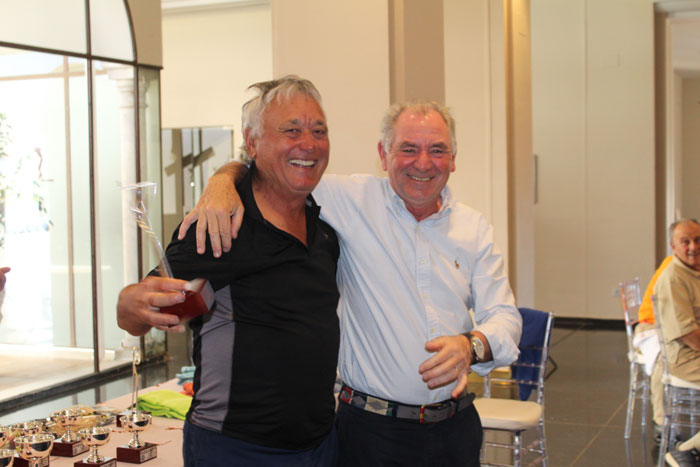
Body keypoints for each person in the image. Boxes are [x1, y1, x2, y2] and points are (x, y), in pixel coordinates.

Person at [180, 99, 522, 466]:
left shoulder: (473, 228)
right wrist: (224, 179)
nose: (423, 163)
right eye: (408, 149)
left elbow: (505, 316)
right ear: (383, 154)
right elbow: (273, 170)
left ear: (453, 158)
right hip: (370, 434)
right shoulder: (347, 200)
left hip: (455, 430)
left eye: (437, 150)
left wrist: (471, 346)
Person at [117, 76, 341, 466]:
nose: (309, 143)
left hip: (321, 444)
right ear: (252, 142)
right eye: (291, 130)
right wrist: (130, 304)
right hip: (236, 449)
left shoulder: (325, 227)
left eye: (318, 131)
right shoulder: (221, 227)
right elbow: (144, 310)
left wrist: (225, 174)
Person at [654, 219, 700, 467]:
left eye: (698, 240)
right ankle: (686, 450)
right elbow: (690, 336)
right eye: (685, 242)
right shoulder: (673, 279)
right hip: (686, 359)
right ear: (673, 246)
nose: (693, 247)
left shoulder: (694, 271)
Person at [633, 254, 673, 441]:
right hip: (652, 326)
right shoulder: (673, 267)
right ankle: (660, 421)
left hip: (673, 325)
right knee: (662, 359)